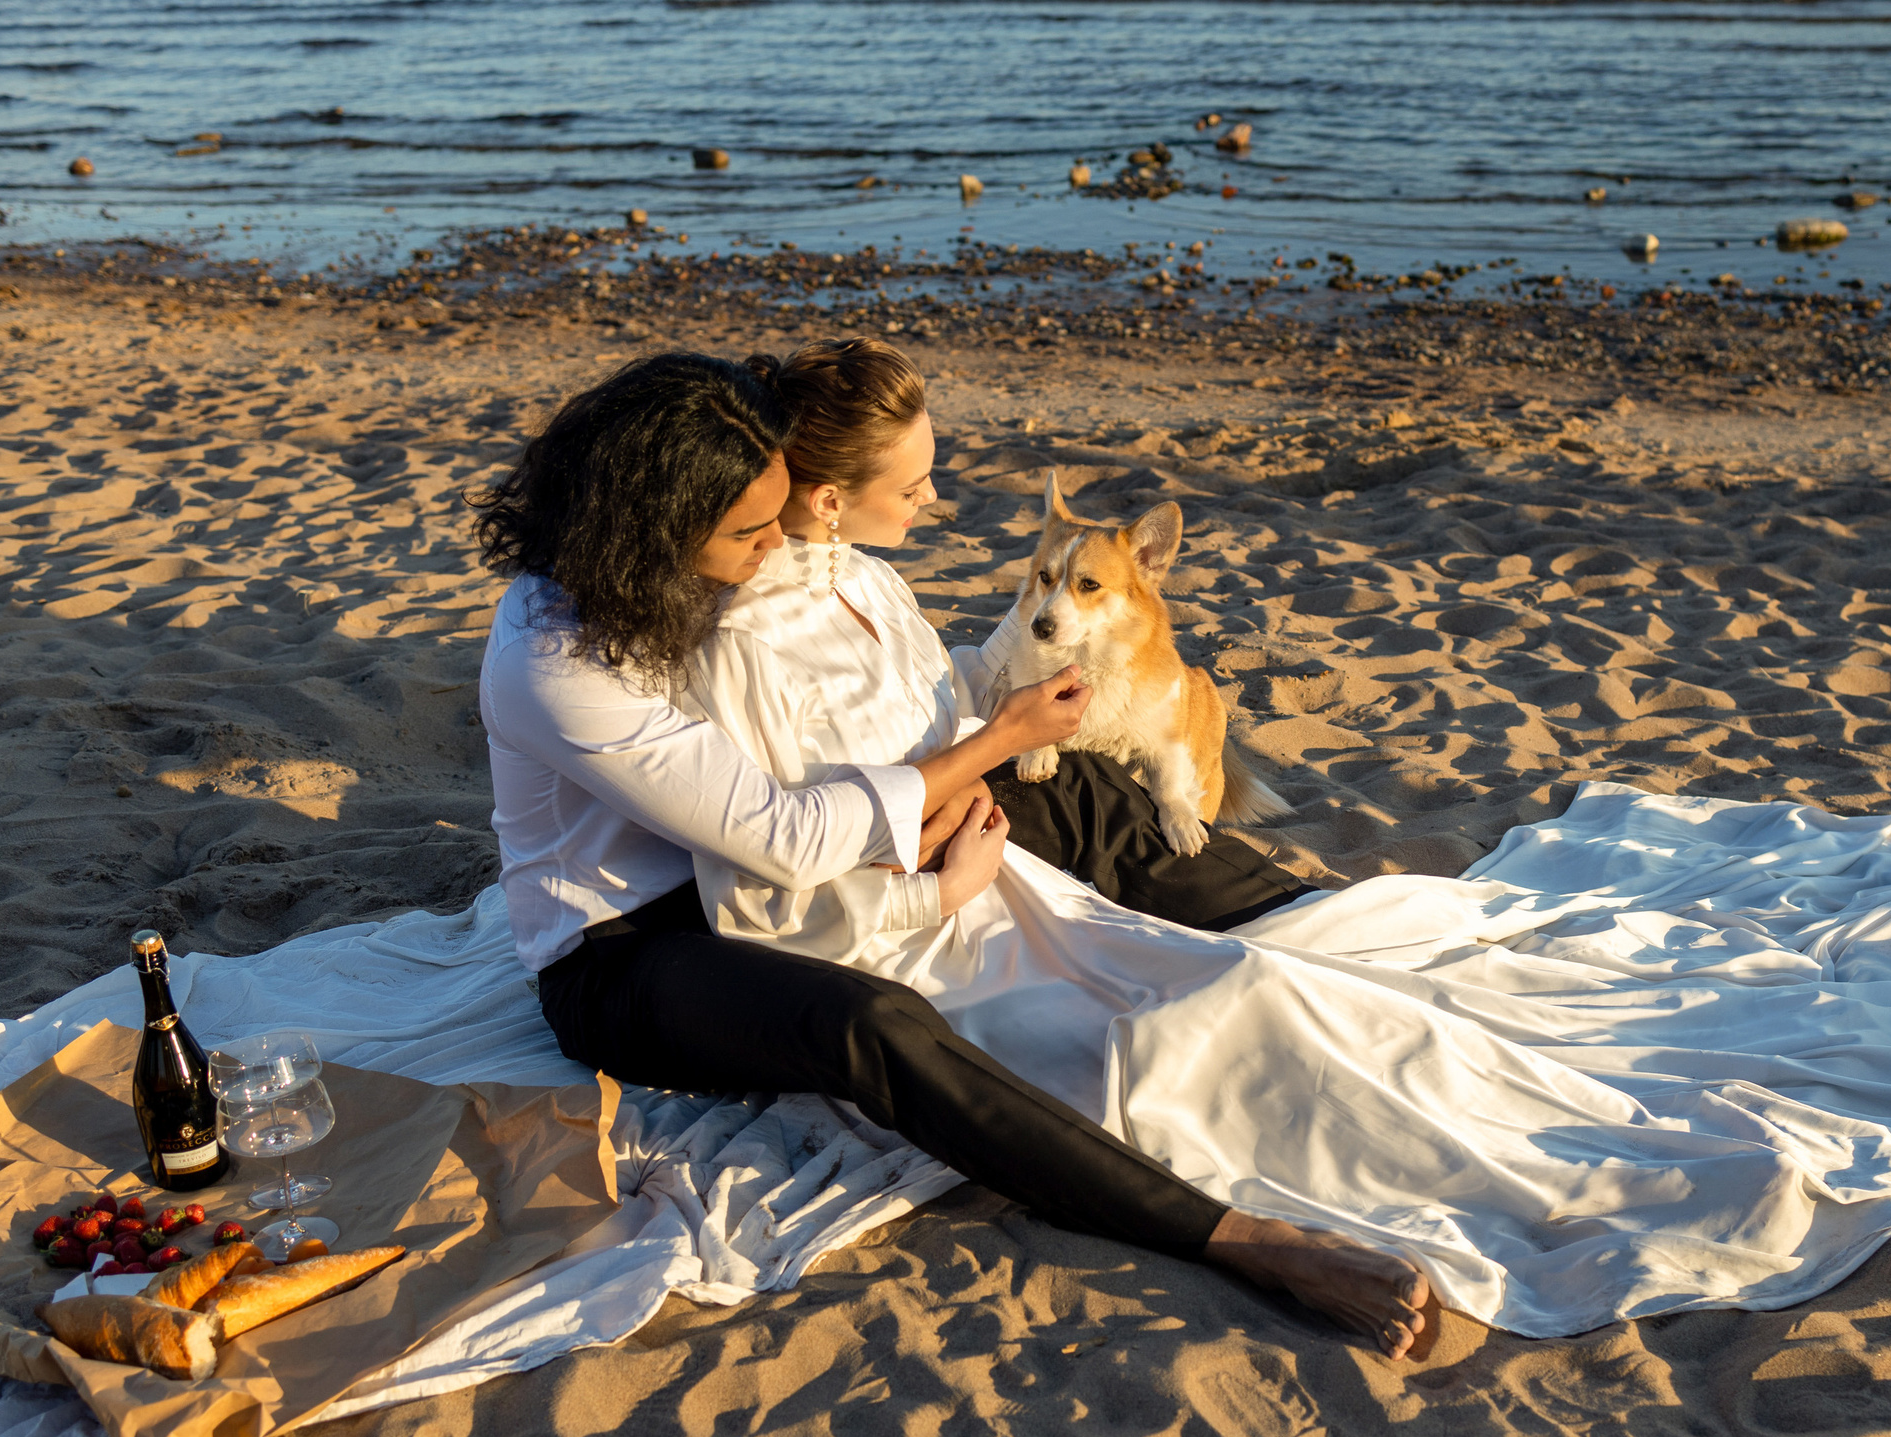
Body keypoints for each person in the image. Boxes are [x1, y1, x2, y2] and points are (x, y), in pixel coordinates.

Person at [673, 339, 1891, 1341]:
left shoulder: (871, 586)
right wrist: (976, 798)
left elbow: (939, 709)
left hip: (977, 865)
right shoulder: (755, 635)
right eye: (916, 478)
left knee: (1329, 955)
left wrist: (989, 764)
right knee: (1222, 1023)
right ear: (825, 496)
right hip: (902, 923)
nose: (941, 498)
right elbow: (798, 844)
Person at [469, 352, 1432, 1360]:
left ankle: (1301, 920)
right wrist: (953, 821)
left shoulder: (679, 576)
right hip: (629, 949)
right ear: (653, 525)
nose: (770, 549)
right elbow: (780, 836)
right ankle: (1241, 1239)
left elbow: (803, 778)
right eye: (750, 532)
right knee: (873, 1023)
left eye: (774, 519)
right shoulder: (555, 660)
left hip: (760, 857)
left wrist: (960, 775)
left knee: (1084, 790)